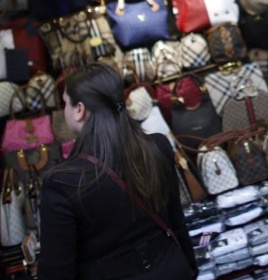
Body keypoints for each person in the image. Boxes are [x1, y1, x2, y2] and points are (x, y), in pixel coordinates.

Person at [38, 64, 197, 279]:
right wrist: (190, 269)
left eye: (66, 103)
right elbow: (176, 224)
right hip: (172, 270)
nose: (65, 109)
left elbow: (56, 272)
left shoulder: (62, 183)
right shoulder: (157, 147)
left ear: (79, 110)